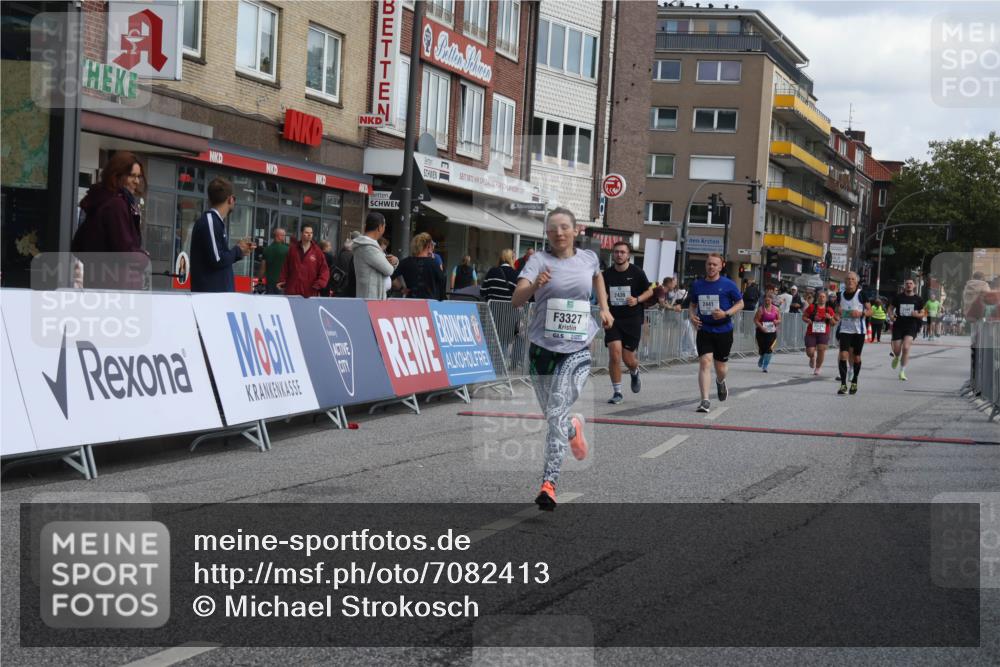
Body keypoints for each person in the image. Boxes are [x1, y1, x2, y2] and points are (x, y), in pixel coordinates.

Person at [511, 208, 613, 510]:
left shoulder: (589, 259)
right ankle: (573, 429)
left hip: (577, 349)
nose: (559, 233)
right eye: (553, 228)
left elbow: (598, 280)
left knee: (555, 411)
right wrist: (535, 286)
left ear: (575, 230)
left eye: (564, 227)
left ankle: (549, 484)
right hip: (542, 349)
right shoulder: (537, 261)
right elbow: (517, 300)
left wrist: (604, 308)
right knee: (553, 416)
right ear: (547, 233)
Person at [73, 151, 149, 289]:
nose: (137, 181)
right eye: (132, 176)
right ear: (117, 175)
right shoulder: (116, 205)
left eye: (139, 177)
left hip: (99, 284)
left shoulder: (101, 201)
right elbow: (124, 250)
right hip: (115, 287)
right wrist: (142, 257)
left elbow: (78, 245)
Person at [688, 254, 744, 412]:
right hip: (704, 329)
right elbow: (692, 305)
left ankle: (720, 381)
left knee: (721, 368)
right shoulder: (698, 285)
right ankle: (704, 400)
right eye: (709, 264)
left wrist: (726, 313)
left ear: (720, 266)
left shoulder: (728, 284)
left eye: (714, 264)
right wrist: (692, 316)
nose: (711, 267)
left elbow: (740, 303)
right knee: (705, 363)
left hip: (723, 330)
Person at [602, 242, 653, 403]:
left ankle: (634, 371)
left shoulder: (637, 272)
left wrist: (637, 299)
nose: (619, 255)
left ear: (628, 255)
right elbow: (602, 294)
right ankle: (617, 392)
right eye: (616, 252)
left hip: (632, 319)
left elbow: (650, 291)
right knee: (614, 353)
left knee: (628, 358)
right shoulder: (607, 274)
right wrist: (604, 305)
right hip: (613, 319)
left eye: (622, 252)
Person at [190, 178, 253, 293]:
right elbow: (217, 259)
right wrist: (238, 250)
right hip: (211, 298)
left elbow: (218, 258)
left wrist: (239, 252)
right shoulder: (210, 221)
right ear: (231, 199)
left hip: (217, 296)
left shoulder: (215, 222)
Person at [835, 271, 872, 395]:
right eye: (847, 279)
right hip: (845, 329)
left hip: (858, 331)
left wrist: (861, 313)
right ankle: (843, 385)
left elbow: (870, 311)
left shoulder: (861, 294)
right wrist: (837, 312)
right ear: (844, 282)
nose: (850, 281)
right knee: (843, 356)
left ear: (856, 282)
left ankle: (854, 381)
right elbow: (837, 310)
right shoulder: (840, 295)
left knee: (856, 357)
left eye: (852, 279)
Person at [348, 212, 398, 300]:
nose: (384, 229)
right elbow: (388, 270)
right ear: (379, 227)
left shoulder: (367, 245)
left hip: (371, 298)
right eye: (384, 226)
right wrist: (395, 262)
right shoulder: (368, 247)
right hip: (371, 299)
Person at [888, 279, 926, 381]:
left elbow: (923, 313)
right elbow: (890, 308)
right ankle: (896, 357)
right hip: (899, 325)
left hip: (911, 326)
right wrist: (891, 316)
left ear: (914, 286)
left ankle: (902, 372)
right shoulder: (898, 297)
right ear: (904, 286)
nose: (909, 285)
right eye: (907, 284)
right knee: (897, 350)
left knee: (906, 348)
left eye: (910, 284)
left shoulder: (918, 299)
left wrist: (917, 315)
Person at [278, 224, 329, 297]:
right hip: (292, 290)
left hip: (309, 291)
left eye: (311, 233)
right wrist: (282, 280)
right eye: (306, 233)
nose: (309, 235)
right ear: (301, 233)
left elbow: (324, 270)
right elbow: (285, 267)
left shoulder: (317, 252)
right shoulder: (293, 250)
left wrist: (319, 284)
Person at [392, 232, 446, 300]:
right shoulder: (434, 263)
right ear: (428, 246)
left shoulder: (405, 262)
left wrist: (401, 289)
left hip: (411, 301)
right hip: (429, 303)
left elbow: (391, 276)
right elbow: (442, 280)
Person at [803, 290, 836, 376]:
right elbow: (804, 317)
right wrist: (808, 320)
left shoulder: (829, 310)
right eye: (820, 296)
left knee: (821, 350)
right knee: (810, 351)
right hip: (811, 332)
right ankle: (812, 357)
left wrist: (830, 318)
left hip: (823, 333)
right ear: (817, 298)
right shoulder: (812, 307)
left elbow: (833, 323)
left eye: (823, 296)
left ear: (826, 299)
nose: (821, 298)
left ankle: (818, 368)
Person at [754, 291, 781, 372]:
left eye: (768, 300)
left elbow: (780, 319)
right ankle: (762, 357)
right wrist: (761, 327)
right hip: (761, 332)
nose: (767, 302)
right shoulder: (760, 309)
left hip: (772, 332)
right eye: (765, 300)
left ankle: (765, 366)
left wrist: (777, 321)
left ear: (771, 300)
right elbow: (755, 320)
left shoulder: (776, 309)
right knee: (762, 349)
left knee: (769, 349)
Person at [257, 227, 288, 295]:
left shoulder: (267, 249)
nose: (284, 237)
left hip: (269, 283)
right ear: (278, 236)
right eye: (283, 235)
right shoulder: (287, 250)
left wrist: (259, 280)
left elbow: (262, 268)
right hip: (282, 283)